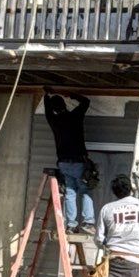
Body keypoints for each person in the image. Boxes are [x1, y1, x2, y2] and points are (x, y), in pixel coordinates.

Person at [43, 93, 95, 232]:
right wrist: (73, 95)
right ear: (64, 105)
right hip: (78, 162)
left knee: (70, 193)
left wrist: (46, 95)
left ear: (54, 109)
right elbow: (86, 101)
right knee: (84, 191)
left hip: (63, 163)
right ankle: (88, 222)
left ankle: (71, 225)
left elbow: (47, 110)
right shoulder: (75, 117)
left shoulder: (54, 120)